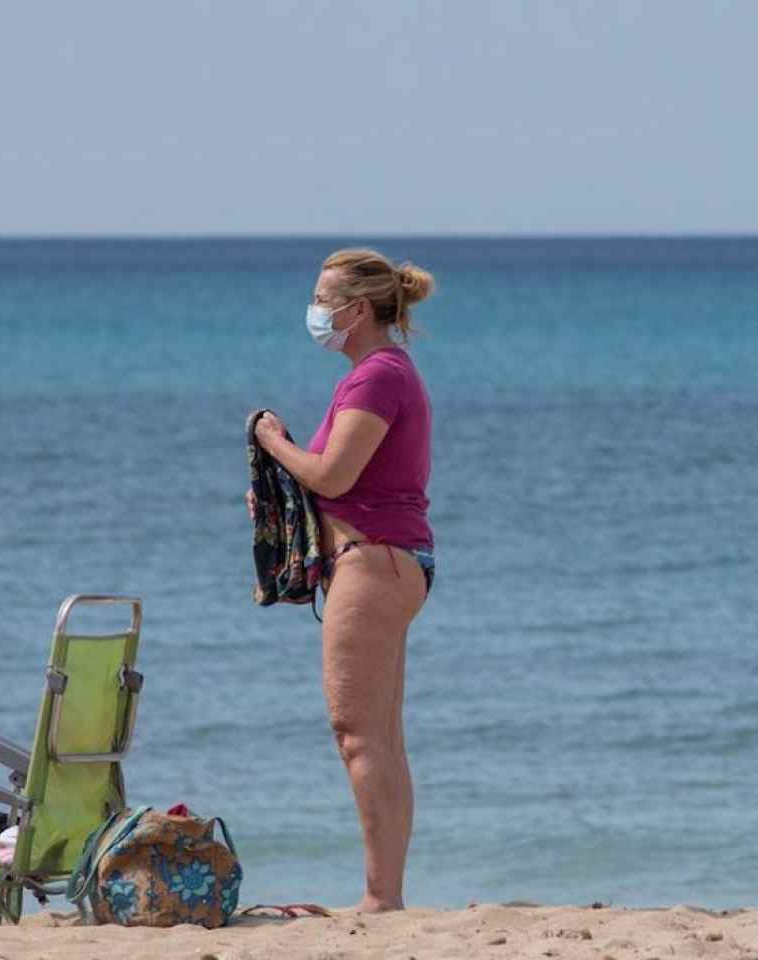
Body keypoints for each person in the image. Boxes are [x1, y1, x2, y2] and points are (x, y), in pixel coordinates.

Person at [249, 248, 435, 912]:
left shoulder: (377, 376)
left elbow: (333, 475)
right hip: (386, 557)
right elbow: (337, 482)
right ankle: (387, 894)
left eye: (324, 299)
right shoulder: (379, 373)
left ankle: (380, 898)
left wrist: (274, 441)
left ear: (357, 309)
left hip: (375, 560)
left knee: (355, 732)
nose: (316, 310)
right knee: (378, 734)